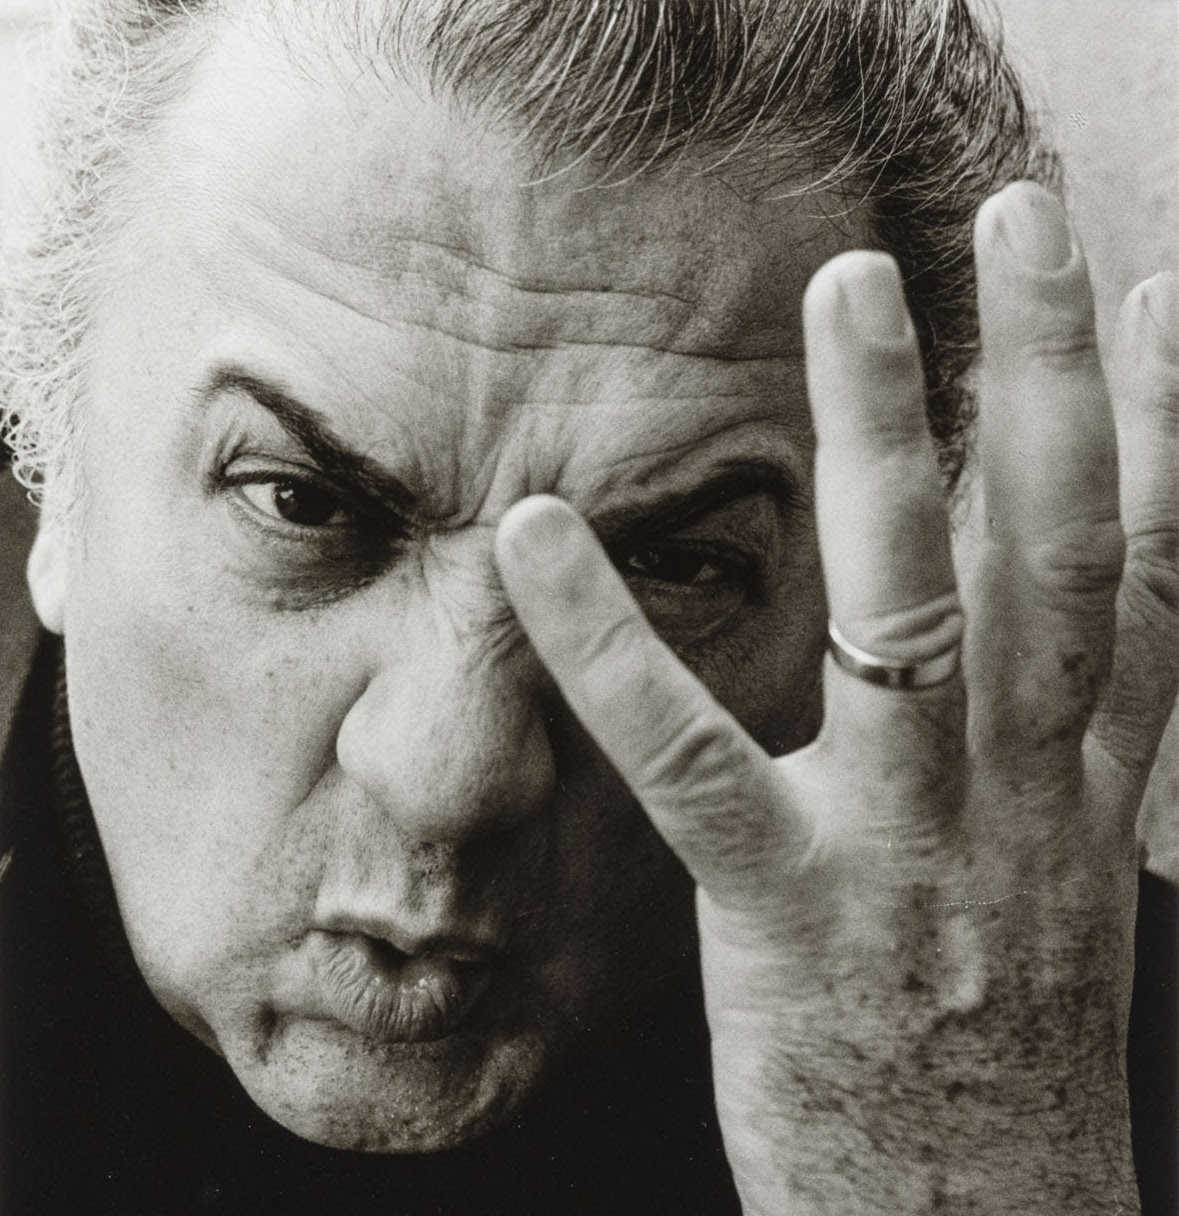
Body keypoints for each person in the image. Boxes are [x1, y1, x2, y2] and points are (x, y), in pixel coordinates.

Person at [0, 1, 1175, 1212]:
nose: (452, 775)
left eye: (672, 566)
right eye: (300, 503)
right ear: (54, 475)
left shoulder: (1071, 1066)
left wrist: (982, 1167)